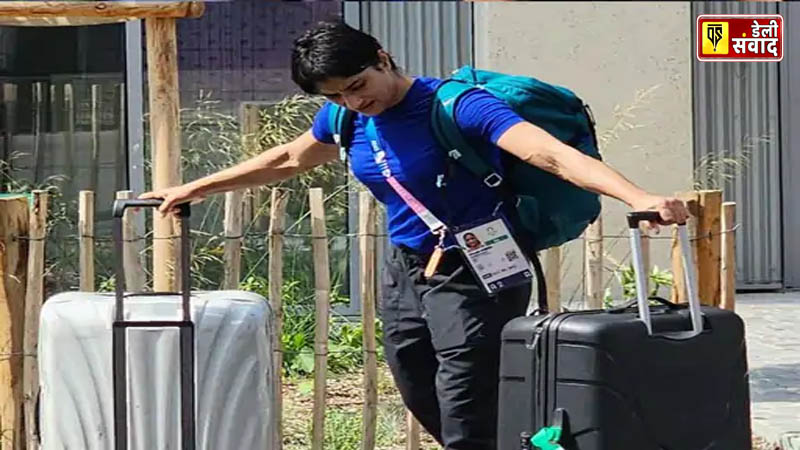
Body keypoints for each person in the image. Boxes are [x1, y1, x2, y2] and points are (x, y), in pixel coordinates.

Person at [141, 21, 689, 450]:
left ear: (382, 57)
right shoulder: (349, 120)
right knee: (413, 377)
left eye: (358, 85)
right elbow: (288, 158)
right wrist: (197, 187)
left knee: (465, 391)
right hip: (407, 265)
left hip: (480, 265)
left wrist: (637, 197)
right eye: (337, 95)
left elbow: (548, 153)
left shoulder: (457, 105)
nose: (355, 101)